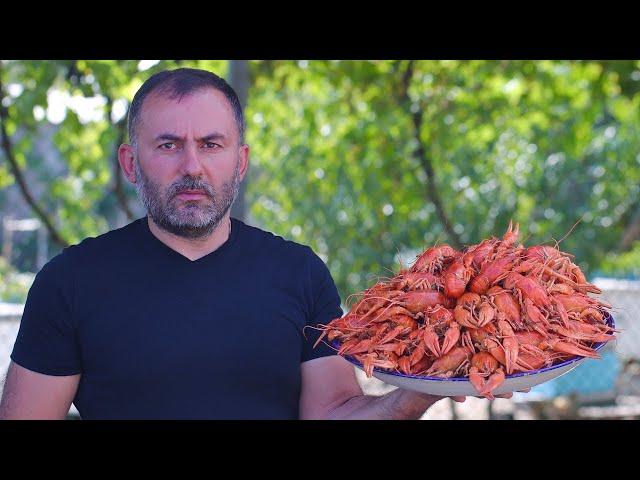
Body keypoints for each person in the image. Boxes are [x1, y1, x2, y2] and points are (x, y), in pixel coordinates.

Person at [0, 67, 517, 420]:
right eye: (167, 145)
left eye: (211, 144)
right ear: (131, 163)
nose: (192, 167)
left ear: (240, 161)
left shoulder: (298, 273)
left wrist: (419, 392)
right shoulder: (70, 282)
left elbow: (334, 412)